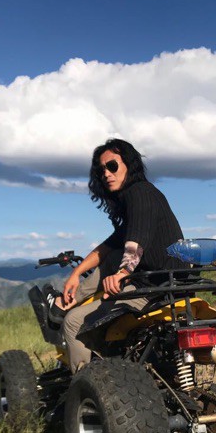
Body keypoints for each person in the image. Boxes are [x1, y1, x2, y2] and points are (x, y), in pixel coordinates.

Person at [50, 138, 184, 372]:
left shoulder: (139, 192)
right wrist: (76, 273)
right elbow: (111, 245)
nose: (106, 174)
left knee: (73, 322)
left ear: (129, 165)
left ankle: (85, 386)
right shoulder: (144, 197)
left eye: (112, 166)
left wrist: (123, 272)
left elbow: (137, 238)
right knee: (111, 257)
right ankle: (67, 301)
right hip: (166, 282)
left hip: (155, 288)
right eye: (101, 170)